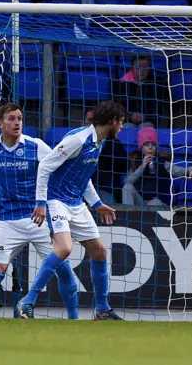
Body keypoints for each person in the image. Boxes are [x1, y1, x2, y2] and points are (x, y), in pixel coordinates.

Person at [17, 101, 128, 320]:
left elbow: (83, 177)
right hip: (55, 200)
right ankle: (27, 301)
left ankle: (102, 309)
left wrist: (97, 204)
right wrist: (41, 202)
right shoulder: (78, 139)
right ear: (113, 121)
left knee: (100, 252)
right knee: (65, 248)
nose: (122, 128)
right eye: (122, 123)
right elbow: (45, 166)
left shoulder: (100, 141)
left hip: (76, 202)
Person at [0, 103, 79, 319]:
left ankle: (74, 319)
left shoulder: (35, 146)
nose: (17, 123)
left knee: (63, 269)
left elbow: (58, 167)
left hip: (38, 219)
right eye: (11, 119)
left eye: (20, 118)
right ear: (0, 123)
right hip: (7, 221)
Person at [122, 126, 192, 206]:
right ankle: (128, 215)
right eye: (146, 144)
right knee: (127, 187)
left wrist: (191, 169)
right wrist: (143, 166)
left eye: (153, 145)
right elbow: (127, 182)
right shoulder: (135, 161)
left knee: (157, 202)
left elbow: (178, 170)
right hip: (138, 201)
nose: (150, 148)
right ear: (141, 147)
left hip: (152, 201)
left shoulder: (161, 162)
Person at [85, 108, 129, 204]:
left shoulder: (114, 144)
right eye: (89, 121)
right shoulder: (79, 141)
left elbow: (124, 167)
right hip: (80, 189)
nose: (91, 124)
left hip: (105, 188)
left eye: (94, 121)